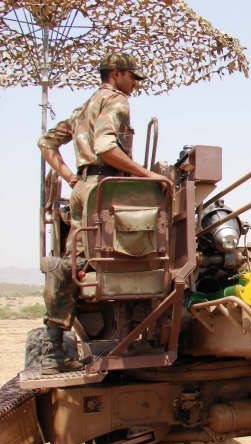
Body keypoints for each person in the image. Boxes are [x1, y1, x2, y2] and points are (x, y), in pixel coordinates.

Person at [37, 52, 169, 374]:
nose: (135, 85)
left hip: (84, 190)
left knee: (72, 260)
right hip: (107, 192)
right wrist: (148, 175)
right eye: (132, 77)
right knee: (135, 252)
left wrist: (72, 178)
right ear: (117, 74)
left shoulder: (84, 108)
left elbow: (46, 143)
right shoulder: (117, 101)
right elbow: (106, 148)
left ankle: (54, 349)